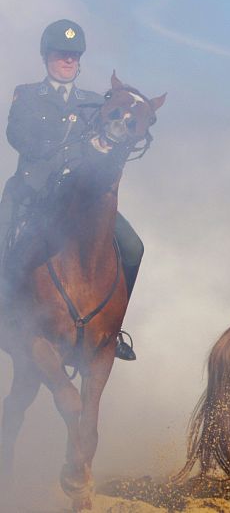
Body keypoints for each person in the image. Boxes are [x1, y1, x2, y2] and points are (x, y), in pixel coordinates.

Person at [1, 19, 141, 360]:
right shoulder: (28, 94)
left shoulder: (94, 103)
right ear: (46, 56)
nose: (68, 61)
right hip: (33, 195)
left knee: (133, 246)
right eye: (62, 54)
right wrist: (65, 151)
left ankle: (113, 331)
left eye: (74, 56)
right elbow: (18, 135)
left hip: (78, 199)